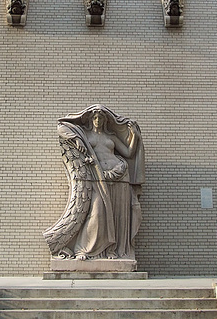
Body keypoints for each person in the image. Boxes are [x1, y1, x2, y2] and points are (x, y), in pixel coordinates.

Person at [43, 104, 145, 261]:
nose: (98, 120)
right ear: (91, 120)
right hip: (97, 178)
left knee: (116, 216)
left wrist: (134, 136)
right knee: (96, 213)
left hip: (118, 178)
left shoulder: (111, 137)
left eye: (101, 118)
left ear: (105, 120)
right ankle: (85, 249)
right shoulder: (85, 136)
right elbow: (62, 126)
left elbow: (129, 153)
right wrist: (77, 141)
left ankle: (112, 250)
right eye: (95, 117)